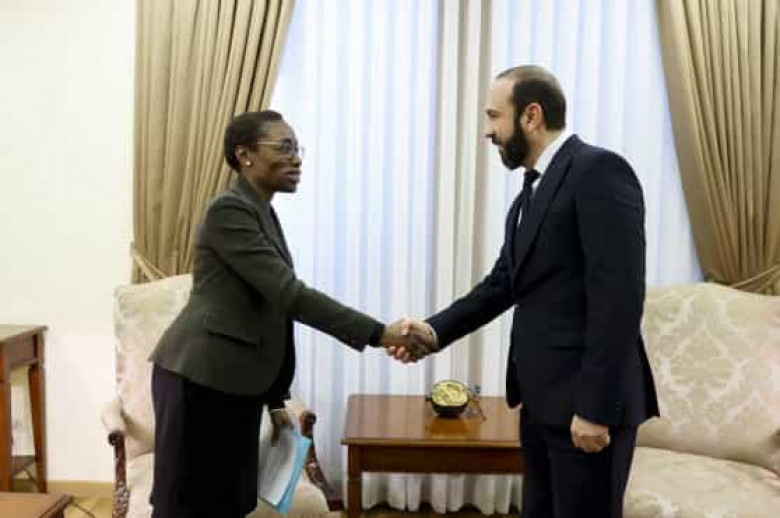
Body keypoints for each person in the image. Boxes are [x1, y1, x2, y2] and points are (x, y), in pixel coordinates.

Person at [392, 66, 659, 518]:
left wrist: (595, 409)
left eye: (494, 116)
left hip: (585, 408)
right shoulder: (531, 191)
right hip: (541, 402)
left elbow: (619, 299)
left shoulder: (598, 171)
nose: (487, 130)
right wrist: (433, 331)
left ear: (531, 116)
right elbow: (502, 284)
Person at [148, 110, 419, 518]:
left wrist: (275, 400)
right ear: (245, 155)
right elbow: (289, 295)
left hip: (233, 384)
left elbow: (267, 311)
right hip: (200, 381)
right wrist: (380, 333)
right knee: (185, 506)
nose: (296, 159)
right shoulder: (229, 211)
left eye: (297, 148)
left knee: (227, 503)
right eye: (284, 147)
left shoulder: (260, 210)